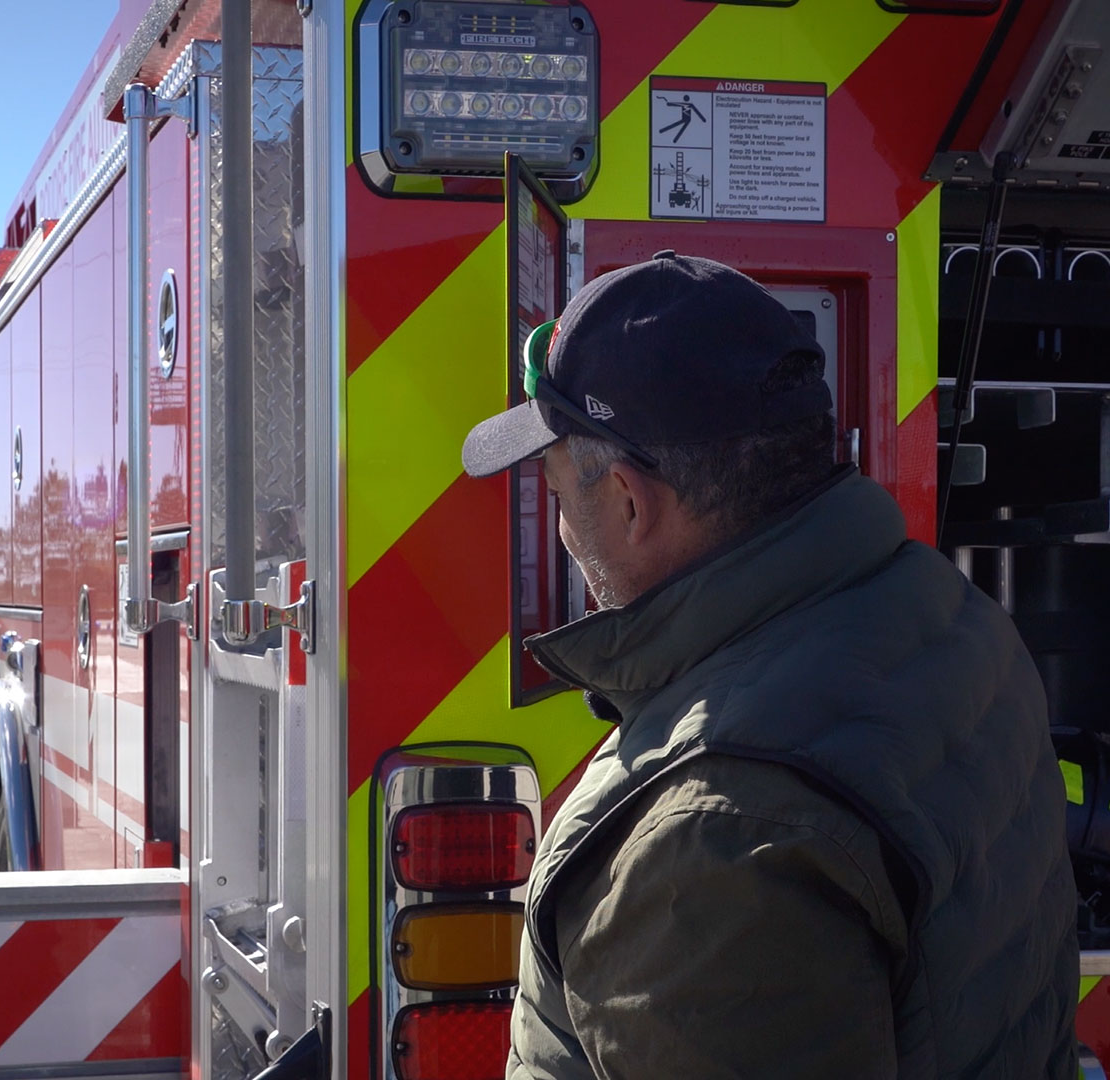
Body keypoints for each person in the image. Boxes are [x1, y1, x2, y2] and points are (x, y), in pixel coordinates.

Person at [459, 251, 1078, 1078]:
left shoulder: (707, 845)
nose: (565, 530)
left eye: (561, 491)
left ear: (631, 504)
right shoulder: (947, 615)